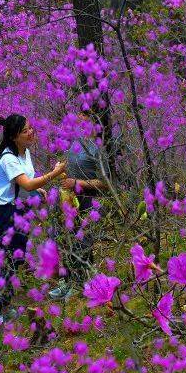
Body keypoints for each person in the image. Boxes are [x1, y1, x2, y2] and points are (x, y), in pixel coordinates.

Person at [0, 114, 66, 315]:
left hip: (20, 210)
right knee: (3, 260)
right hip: (5, 214)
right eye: (25, 131)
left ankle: (4, 305)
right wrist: (54, 173)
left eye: (31, 128)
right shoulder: (9, 159)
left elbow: (25, 184)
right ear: (14, 136)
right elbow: (27, 183)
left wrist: (35, 192)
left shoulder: (24, 152)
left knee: (16, 259)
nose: (31, 132)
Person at [49, 126, 108, 300]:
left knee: (82, 243)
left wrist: (77, 182)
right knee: (65, 241)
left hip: (90, 202)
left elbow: (106, 182)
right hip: (70, 201)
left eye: (86, 114)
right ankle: (66, 282)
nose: (81, 119)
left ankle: (79, 284)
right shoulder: (76, 141)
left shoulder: (99, 146)